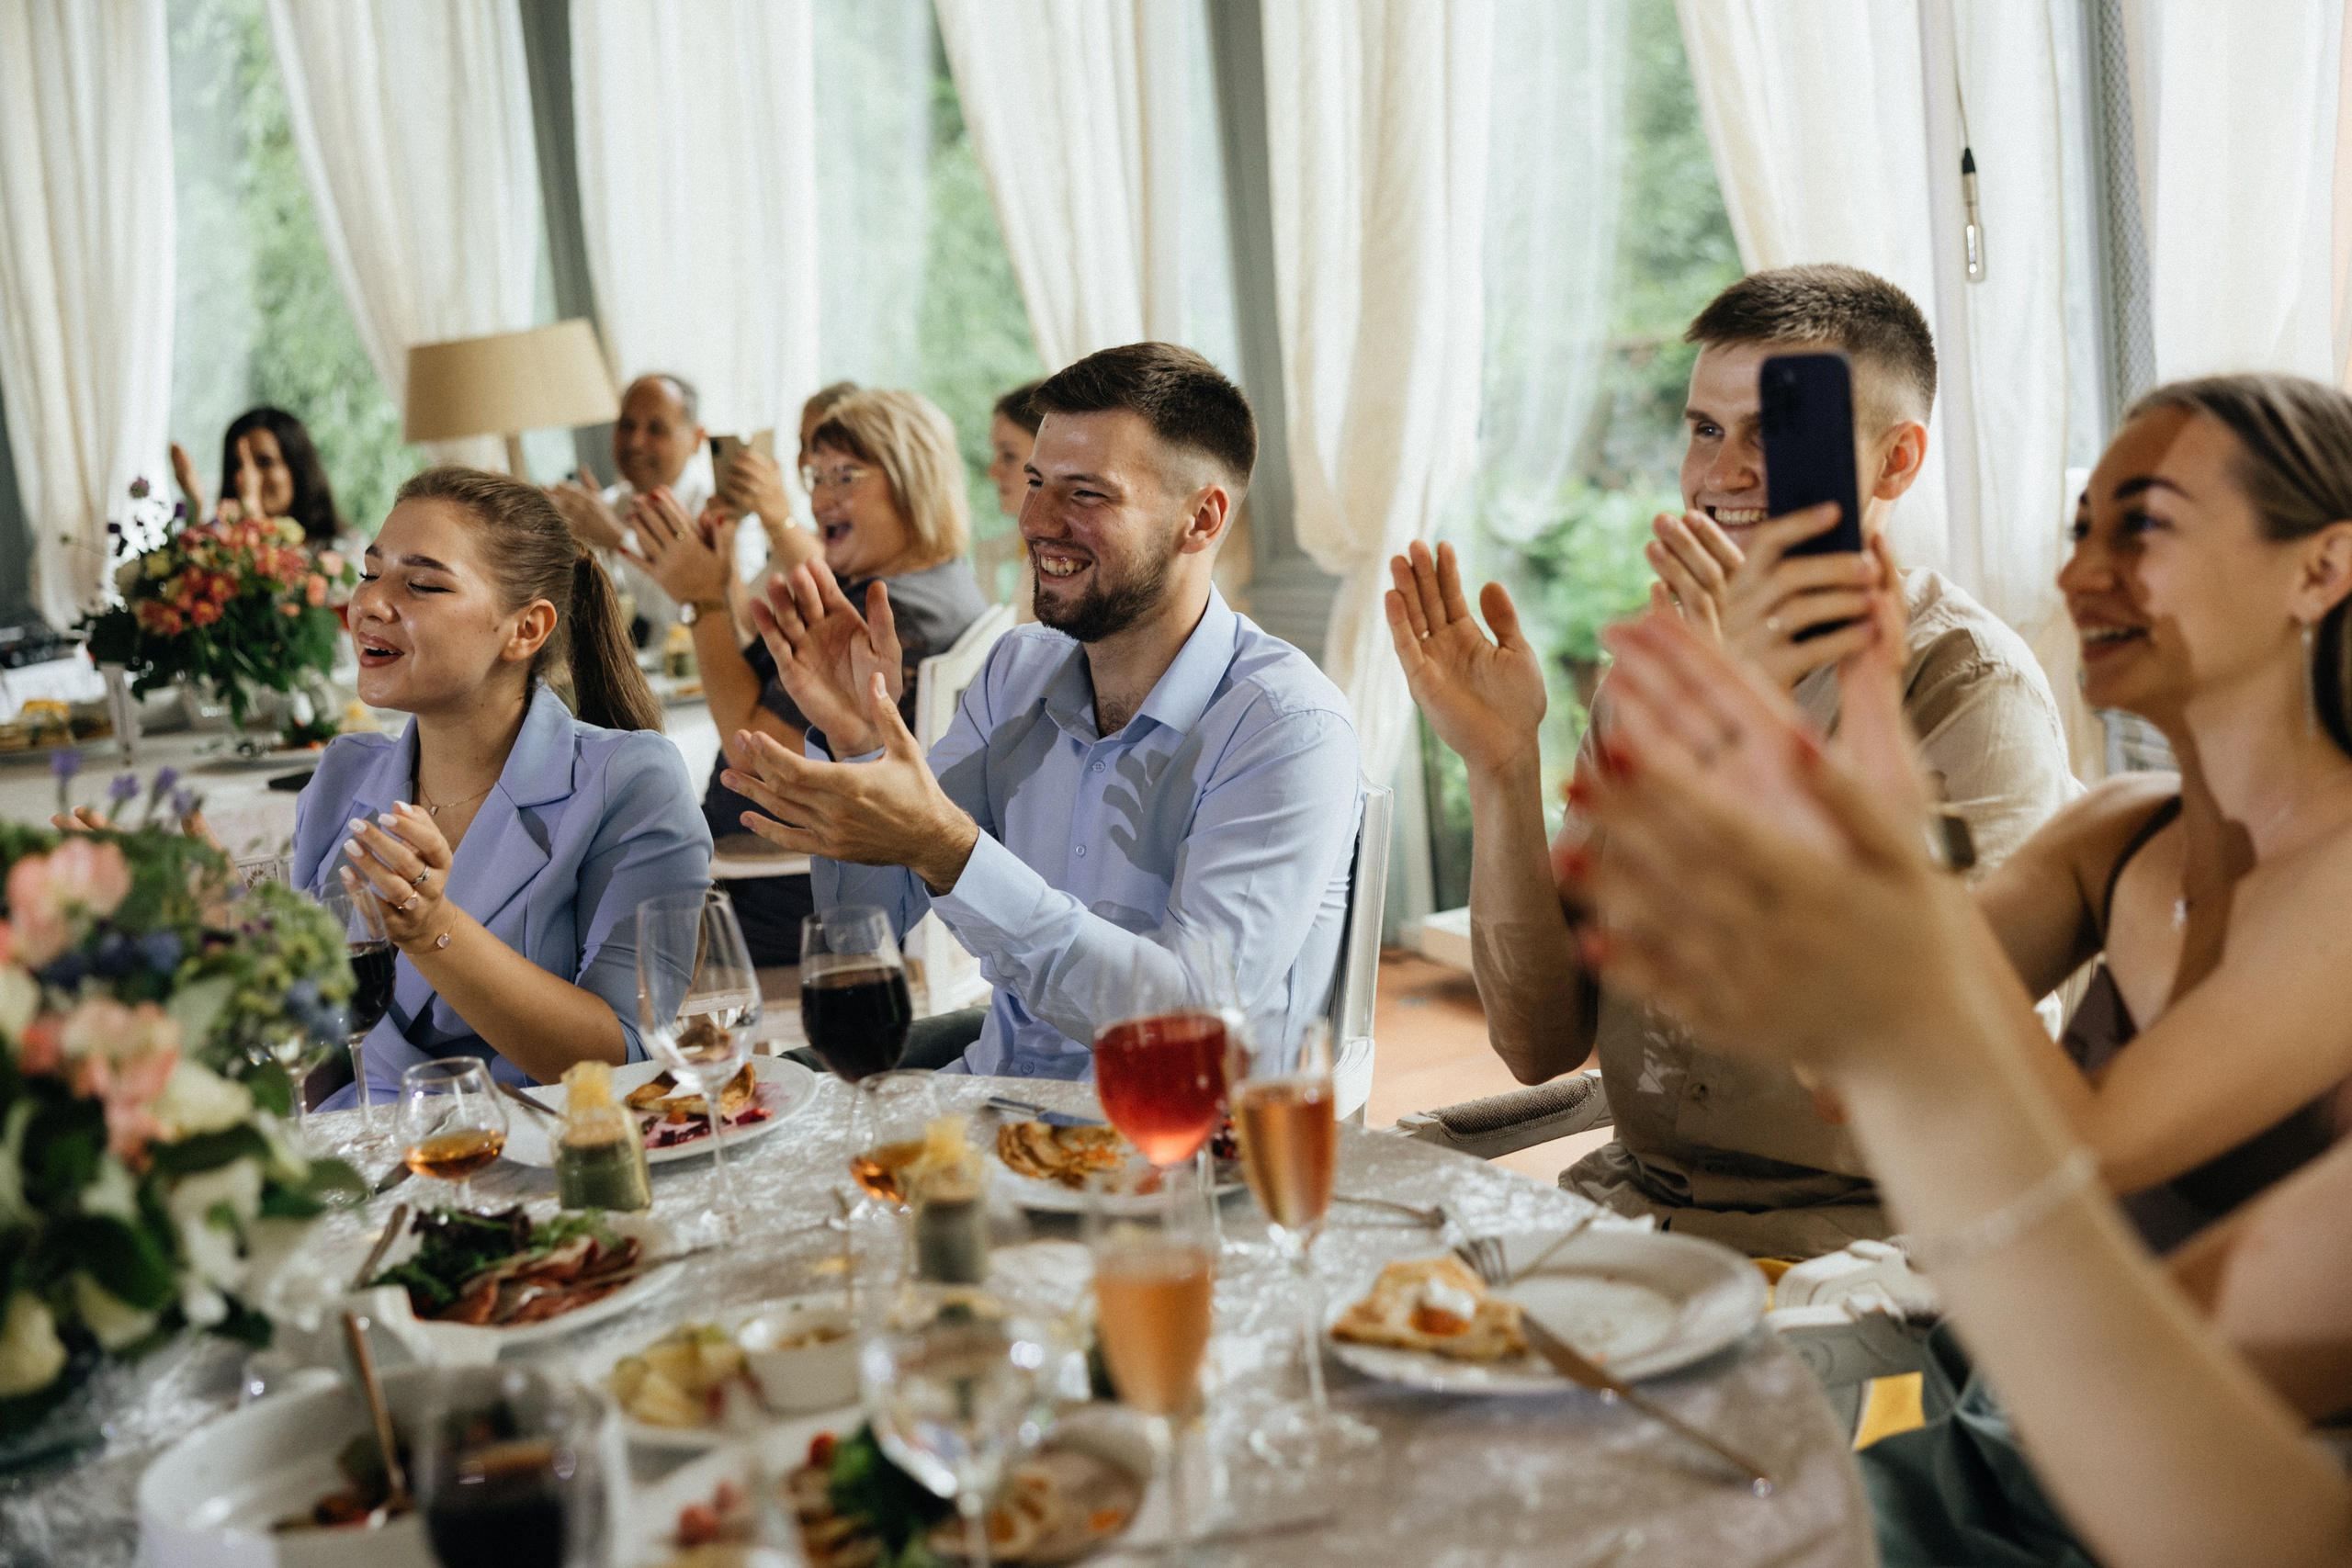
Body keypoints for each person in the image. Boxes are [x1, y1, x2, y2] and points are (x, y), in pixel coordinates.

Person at [1571, 568, 2352, 1568]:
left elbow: (2066, 1151)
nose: (2077, 572)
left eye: (2146, 521)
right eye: (2082, 527)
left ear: (2316, 571)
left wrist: (1893, 911)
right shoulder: (2121, 824)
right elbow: (1838, 1066)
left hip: (2085, 1439)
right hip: (2013, 1399)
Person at [1392, 264, 2076, 1257]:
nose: (1722, 473)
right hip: (1640, 1219)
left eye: (1773, 432)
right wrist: (1499, 768)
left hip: (1874, 1251)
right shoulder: (1652, 679)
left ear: (1894, 463)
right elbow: (1538, 1042)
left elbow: (1928, 1063)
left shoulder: (1971, 687)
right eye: (1705, 430)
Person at [721, 343, 1362, 1078]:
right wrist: (861, 743)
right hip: (992, 1122)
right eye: (1036, 481)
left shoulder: (1283, 727)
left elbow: (1188, 1019)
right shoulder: (1015, 673)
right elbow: (867, 923)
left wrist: (951, 851)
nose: (1038, 519)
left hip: (1176, 1160)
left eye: (1086, 492)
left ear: (1201, 520)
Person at [291, 466, 710, 1104]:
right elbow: (322, 1060)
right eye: (370, 573)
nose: (371, 604)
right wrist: (227, 954)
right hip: (362, 1167)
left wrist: (434, 928)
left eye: (423, 584)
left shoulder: (631, 781)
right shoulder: (342, 775)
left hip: (542, 1166)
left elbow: (624, 1054)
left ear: (526, 629)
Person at [631, 388, 988, 966]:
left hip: (776, 899)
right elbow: (763, 666)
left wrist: (701, 603)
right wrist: (714, 582)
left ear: (914, 479)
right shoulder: (936, 582)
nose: (821, 497)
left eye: (846, 476)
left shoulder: (894, 614)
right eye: (816, 476)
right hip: (776, 879)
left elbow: (754, 754)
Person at [546, 372, 782, 633]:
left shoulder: (726, 512)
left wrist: (616, 539)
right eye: (627, 426)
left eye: (656, 429)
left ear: (696, 439)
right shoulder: (605, 505)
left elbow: (736, 620)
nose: (635, 442)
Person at [170, 407, 345, 545]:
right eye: (238, 464)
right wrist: (195, 504)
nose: (248, 476)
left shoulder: (340, 551)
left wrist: (253, 513)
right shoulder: (223, 548)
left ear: (297, 468)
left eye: (265, 462)